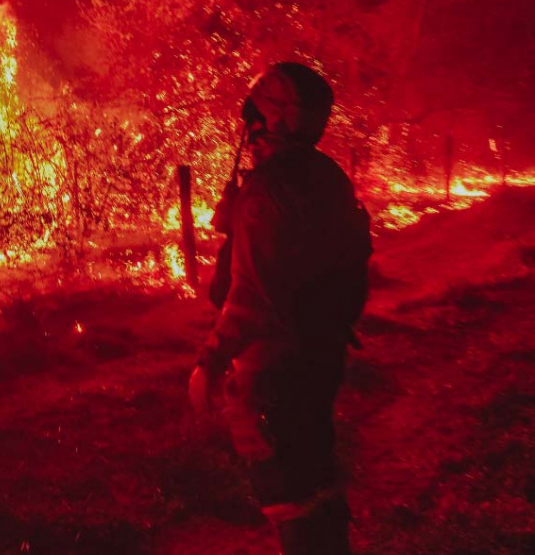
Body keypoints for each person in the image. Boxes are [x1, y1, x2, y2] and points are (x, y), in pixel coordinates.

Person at [189, 62, 372, 555]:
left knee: (287, 492)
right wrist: (238, 220)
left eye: (253, 116)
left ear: (272, 119)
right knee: (314, 479)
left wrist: (210, 362)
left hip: (273, 371)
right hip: (321, 356)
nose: (246, 130)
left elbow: (252, 296)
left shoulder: (266, 192)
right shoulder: (327, 176)